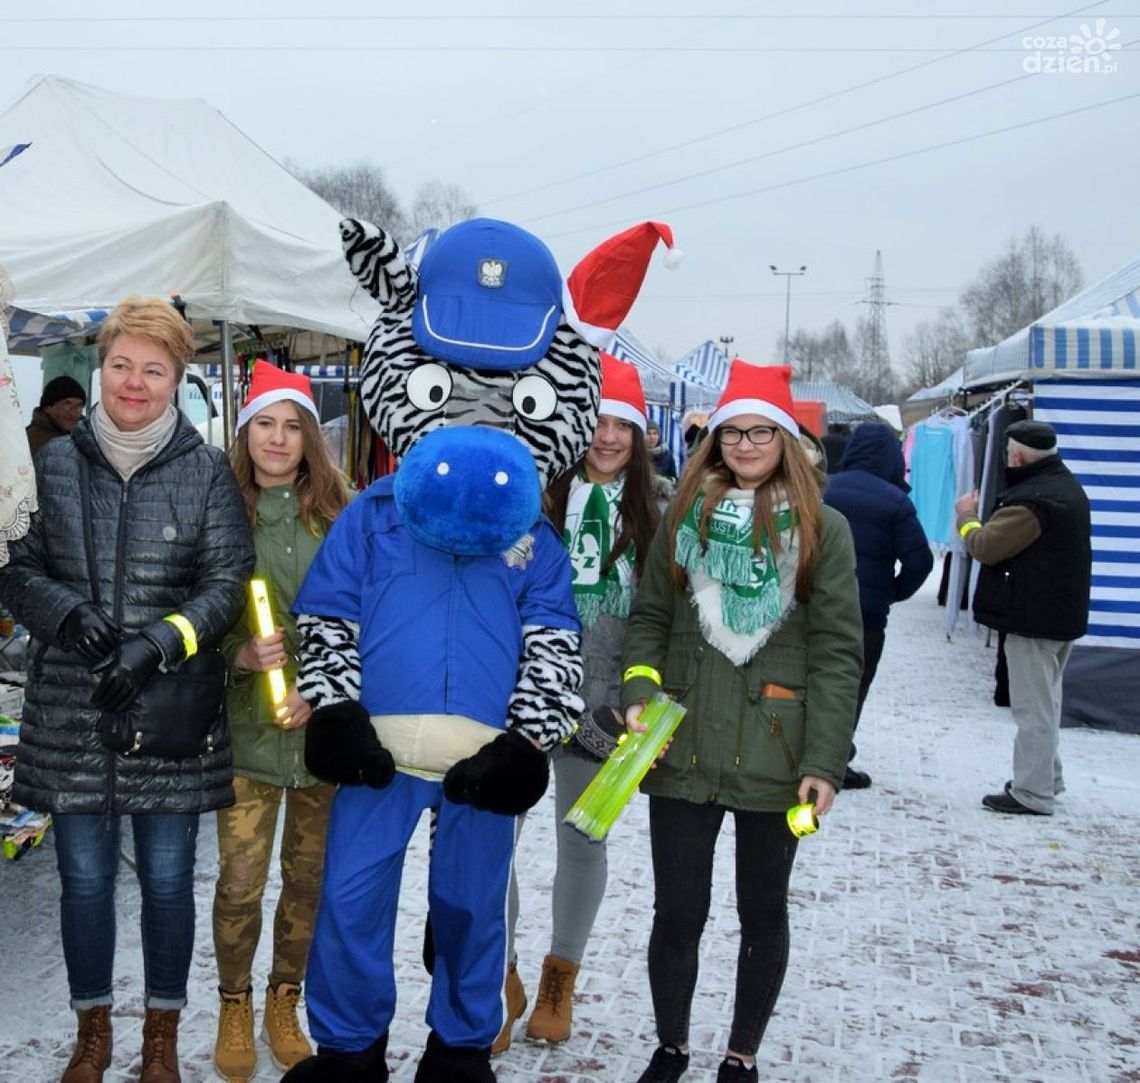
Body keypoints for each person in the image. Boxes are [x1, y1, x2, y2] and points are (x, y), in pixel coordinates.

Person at [0, 295, 254, 1083]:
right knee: (82, 878)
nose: (134, 383)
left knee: (171, 878)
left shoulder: (207, 469)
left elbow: (226, 581)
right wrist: (65, 613)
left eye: (153, 369)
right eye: (121, 365)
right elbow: (15, 567)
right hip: (74, 710)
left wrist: (157, 643)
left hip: (170, 715)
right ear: (98, 368)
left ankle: (162, 1035)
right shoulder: (51, 465)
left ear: (178, 378)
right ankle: (93, 1030)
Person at [620, 360, 862, 1083]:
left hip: (778, 753)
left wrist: (825, 761)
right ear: (714, 438)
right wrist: (638, 685)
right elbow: (651, 617)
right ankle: (671, 1045)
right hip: (683, 745)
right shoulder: (681, 517)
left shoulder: (825, 527)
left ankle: (741, 1053)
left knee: (763, 914)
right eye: (733, 431)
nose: (747, 444)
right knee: (678, 910)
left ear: (786, 438)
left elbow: (838, 652)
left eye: (762, 431)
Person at [495, 354, 667, 1054]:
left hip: (608, 705)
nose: (607, 435)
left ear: (640, 433)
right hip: (522, 691)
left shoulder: (660, 513)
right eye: (596, 419)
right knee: (490, 837)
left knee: (583, 838)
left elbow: (663, 615)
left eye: (623, 422)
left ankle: (559, 976)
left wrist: (644, 699)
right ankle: (493, 973)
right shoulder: (532, 499)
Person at [211, 361, 351, 1080]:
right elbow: (191, 621)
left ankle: (282, 998)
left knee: (309, 877)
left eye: (292, 424)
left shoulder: (339, 514)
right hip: (247, 736)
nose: (277, 437)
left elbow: (365, 617)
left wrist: (327, 690)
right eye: (264, 422)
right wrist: (237, 655)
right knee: (240, 881)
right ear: (245, 430)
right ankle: (233, 1001)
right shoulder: (219, 510)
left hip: (321, 733)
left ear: (310, 436)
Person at [954, 419, 1091, 816]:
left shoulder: (1033, 501)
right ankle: (1048, 778)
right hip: (1058, 614)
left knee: (1033, 708)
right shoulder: (1064, 487)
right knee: (1047, 701)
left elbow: (984, 546)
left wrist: (967, 516)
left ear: (1015, 455)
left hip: (1034, 617)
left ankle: (1033, 792)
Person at [823, 423, 933, 788]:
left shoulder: (822, 489)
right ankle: (834, 763)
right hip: (866, 616)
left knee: (811, 682)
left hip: (814, 608)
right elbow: (921, 562)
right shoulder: (895, 500)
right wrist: (891, 592)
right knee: (852, 687)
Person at [25, 374, 87, 455]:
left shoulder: (88, 439)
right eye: (67, 404)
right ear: (47, 407)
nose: (73, 413)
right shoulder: (27, 441)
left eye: (79, 406)